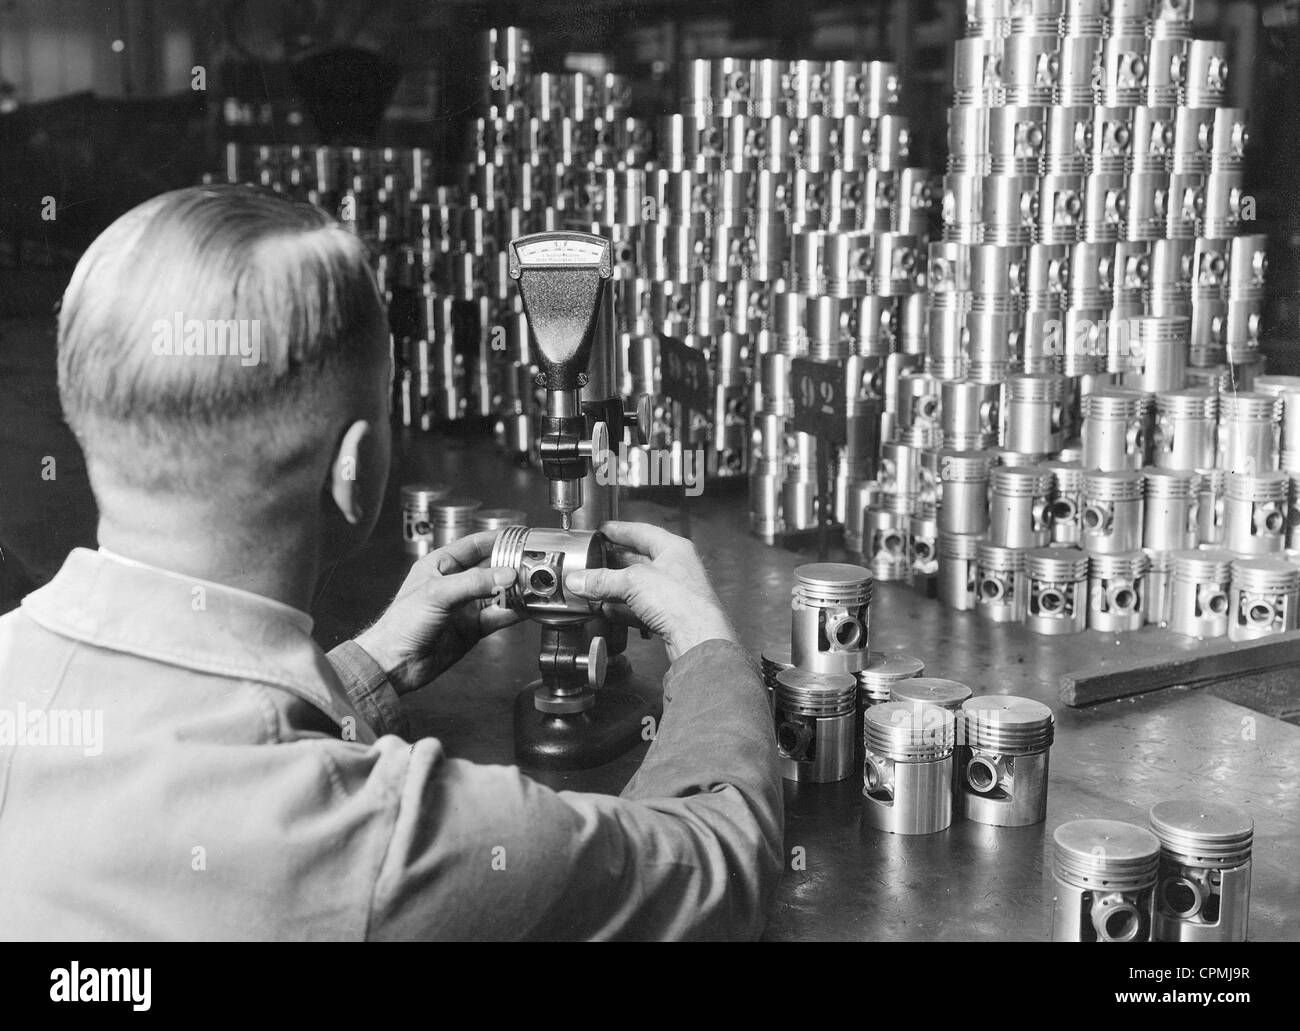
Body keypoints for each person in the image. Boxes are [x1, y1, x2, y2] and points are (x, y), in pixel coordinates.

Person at [0, 185, 782, 941]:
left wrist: (362, 672)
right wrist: (707, 645)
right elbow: (720, 865)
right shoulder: (390, 842)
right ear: (358, 468)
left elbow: (178, 766)